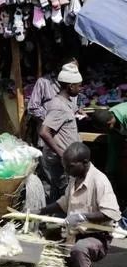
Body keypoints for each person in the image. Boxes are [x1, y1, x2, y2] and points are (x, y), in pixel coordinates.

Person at [37, 142, 120, 267]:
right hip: (74, 232)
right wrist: (40, 211)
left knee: (80, 248)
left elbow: (111, 213)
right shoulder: (74, 179)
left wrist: (83, 217)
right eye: (65, 167)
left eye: (70, 167)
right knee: (43, 235)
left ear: (85, 162)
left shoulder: (99, 180)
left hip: (96, 236)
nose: (66, 171)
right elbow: (64, 202)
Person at [39, 63, 84, 203]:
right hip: (62, 160)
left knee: (58, 192)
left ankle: (50, 221)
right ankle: (59, 221)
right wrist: (62, 154)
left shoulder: (66, 103)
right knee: (65, 194)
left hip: (66, 158)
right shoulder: (59, 106)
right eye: (79, 85)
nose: (80, 88)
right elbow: (44, 132)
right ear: (70, 86)